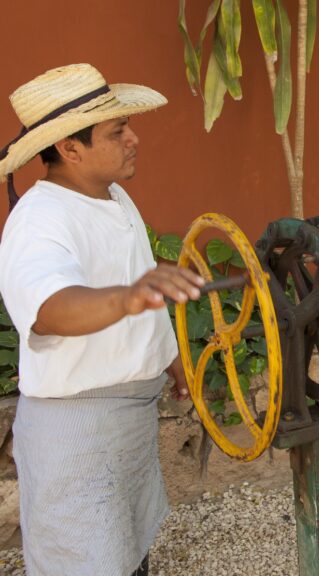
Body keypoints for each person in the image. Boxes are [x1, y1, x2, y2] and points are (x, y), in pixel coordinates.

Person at [0, 63, 204, 575]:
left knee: (126, 553)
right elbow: (49, 311)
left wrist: (171, 361)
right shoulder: (41, 219)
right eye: (117, 132)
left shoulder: (112, 196)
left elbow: (131, 285)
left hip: (123, 427)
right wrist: (132, 295)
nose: (134, 139)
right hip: (77, 435)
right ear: (70, 148)